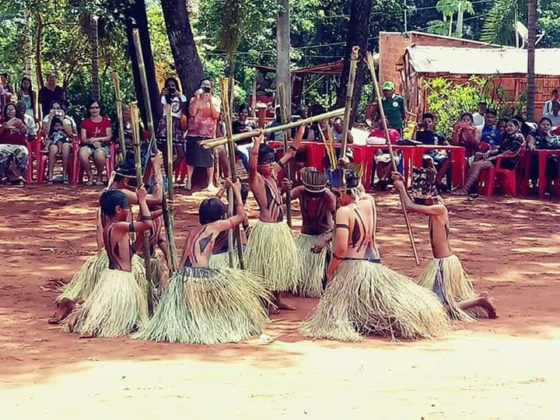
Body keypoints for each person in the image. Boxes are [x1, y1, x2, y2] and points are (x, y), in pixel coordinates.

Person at [299, 168, 450, 341]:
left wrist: (331, 270)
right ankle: (404, 317)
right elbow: (360, 188)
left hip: (352, 267)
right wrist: (348, 167)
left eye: (337, 193)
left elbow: (340, 249)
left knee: (337, 317)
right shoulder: (369, 201)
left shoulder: (344, 212)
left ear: (342, 191)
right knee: (373, 304)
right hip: (372, 264)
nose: (337, 199)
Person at [135, 180, 269, 345]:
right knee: (231, 284)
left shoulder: (194, 230)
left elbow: (184, 257)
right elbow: (241, 217)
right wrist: (236, 191)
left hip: (182, 277)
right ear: (220, 216)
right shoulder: (215, 226)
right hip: (199, 278)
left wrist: (222, 190)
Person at [49, 155, 163, 324]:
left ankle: (76, 305)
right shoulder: (121, 195)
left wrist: (149, 166)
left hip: (105, 256)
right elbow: (157, 199)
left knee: (101, 296)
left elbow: (141, 186)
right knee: (118, 306)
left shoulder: (108, 194)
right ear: (125, 181)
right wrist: (158, 170)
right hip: (120, 266)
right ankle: (81, 310)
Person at [392, 168, 497, 320]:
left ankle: (479, 300)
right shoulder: (434, 206)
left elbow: (410, 206)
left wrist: (401, 188)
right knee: (435, 304)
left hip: (443, 265)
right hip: (440, 263)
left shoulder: (439, 209)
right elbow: (411, 204)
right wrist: (402, 185)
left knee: (438, 308)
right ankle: (476, 301)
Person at [65, 187, 152, 337]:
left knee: (104, 307)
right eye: (127, 209)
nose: (129, 212)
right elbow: (147, 224)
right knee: (116, 315)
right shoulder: (118, 227)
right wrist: (142, 200)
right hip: (120, 279)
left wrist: (140, 239)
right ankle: (86, 321)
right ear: (118, 209)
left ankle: (80, 314)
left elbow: (128, 253)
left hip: (112, 276)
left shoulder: (109, 228)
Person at [245, 128, 304, 312]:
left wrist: (301, 130)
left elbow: (290, 153)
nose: (271, 165)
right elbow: (253, 166)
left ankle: (277, 299)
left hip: (279, 227)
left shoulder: (273, 174)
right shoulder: (256, 180)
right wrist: (256, 144)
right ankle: (267, 300)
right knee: (268, 265)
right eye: (267, 163)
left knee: (280, 265)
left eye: (272, 161)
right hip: (267, 229)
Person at [286, 167, 336, 297]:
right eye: (311, 195)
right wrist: (284, 189)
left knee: (323, 278)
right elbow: (279, 200)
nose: (313, 199)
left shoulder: (329, 197)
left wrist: (326, 238)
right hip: (305, 237)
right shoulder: (299, 191)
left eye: (317, 196)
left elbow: (341, 225)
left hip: (324, 237)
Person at [452, 119, 525, 195]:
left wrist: (493, 157)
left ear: (516, 127)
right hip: (500, 158)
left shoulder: (518, 137)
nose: (508, 128)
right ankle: (473, 186)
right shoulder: (508, 136)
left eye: (511, 126)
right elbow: (500, 149)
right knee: (478, 155)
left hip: (506, 161)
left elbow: (509, 152)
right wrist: (488, 153)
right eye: (507, 126)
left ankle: (465, 189)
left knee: (476, 165)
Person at [185, 79, 220, 191]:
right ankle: (189, 181)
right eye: (204, 85)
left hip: (208, 134)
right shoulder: (194, 99)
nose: (206, 88)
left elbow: (216, 115)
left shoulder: (215, 100)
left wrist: (209, 100)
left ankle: (210, 182)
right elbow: (192, 113)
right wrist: (198, 99)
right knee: (191, 158)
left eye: (208, 86)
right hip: (194, 133)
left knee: (209, 159)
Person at [156, 77, 187, 175]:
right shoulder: (164, 97)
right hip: (165, 123)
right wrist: (162, 95)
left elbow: (185, 111)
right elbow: (159, 111)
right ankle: (168, 177)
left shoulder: (182, 97)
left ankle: (169, 171)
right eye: (168, 86)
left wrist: (179, 96)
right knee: (166, 153)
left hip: (176, 124)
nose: (171, 88)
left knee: (181, 154)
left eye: (173, 85)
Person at [78, 99, 112, 186]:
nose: (94, 110)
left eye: (96, 107)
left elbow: (109, 137)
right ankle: (90, 176)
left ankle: (99, 176)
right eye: (92, 108)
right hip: (89, 144)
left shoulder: (106, 121)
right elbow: (83, 139)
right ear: (89, 110)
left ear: (100, 109)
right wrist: (91, 141)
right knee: (82, 153)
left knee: (99, 154)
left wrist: (97, 140)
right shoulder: (85, 122)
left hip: (102, 145)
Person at [413, 112, 451, 190]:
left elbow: (448, 145)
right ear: (422, 123)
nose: (427, 124)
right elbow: (412, 143)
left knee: (447, 159)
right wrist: (415, 130)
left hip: (436, 154)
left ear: (433, 123)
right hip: (423, 155)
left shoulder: (438, 134)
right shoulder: (418, 134)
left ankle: (437, 180)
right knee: (428, 159)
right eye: (425, 122)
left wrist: (446, 151)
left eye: (429, 122)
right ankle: (437, 180)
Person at [526, 117, 560, 192]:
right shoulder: (533, 133)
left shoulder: (553, 136)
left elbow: (556, 146)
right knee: (535, 162)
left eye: (548, 125)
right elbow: (530, 143)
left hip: (549, 158)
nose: (545, 126)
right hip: (536, 157)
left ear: (551, 127)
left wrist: (549, 135)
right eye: (543, 124)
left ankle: (549, 185)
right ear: (539, 126)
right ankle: (534, 185)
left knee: (554, 162)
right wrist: (531, 145)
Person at [368, 114, 401, 190]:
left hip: (392, 153)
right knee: (380, 161)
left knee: (393, 160)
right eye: (380, 119)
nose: (383, 121)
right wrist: (377, 149)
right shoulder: (374, 132)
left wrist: (395, 151)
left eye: (384, 119)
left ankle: (383, 179)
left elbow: (399, 144)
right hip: (380, 153)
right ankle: (382, 180)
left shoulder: (394, 132)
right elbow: (369, 143)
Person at [0, 102, 28, 185]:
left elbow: (25, 131)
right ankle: (3, 177)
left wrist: (21, 125)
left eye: (12, 109)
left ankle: (20, 177)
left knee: (23, 152)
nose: (10, 111)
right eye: (8, 110)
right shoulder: (2, 121)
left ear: (16, 111)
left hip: (19, 145)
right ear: (5, 111)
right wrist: (5, 126)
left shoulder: (20, 120)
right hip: (4, 145)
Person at [46, 118, 73, 183]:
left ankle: (64, 175)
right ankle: (50, 175)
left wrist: (63, 120)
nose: (58, 127)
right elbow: (47, 135)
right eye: (56, 126)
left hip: (64, 143)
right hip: (54, 144)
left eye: (59, 125)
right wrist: (50, 118)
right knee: (53, 148)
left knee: (65, 145)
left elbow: (71, 135)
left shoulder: (67, 120)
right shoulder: (52, 131)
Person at [232, 103, 258, 170]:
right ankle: (250, 172)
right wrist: (234, 145)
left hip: (251, 144)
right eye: (242, 112)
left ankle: (255, 172)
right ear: (239, 112)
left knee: (255, 156)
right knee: (245, 157)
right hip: (240, 146)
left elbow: (258, 135)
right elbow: (231, 136)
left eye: (245, 112)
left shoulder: (252, 124)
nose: (243, 114)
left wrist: (251, 131)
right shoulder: (234, 124)